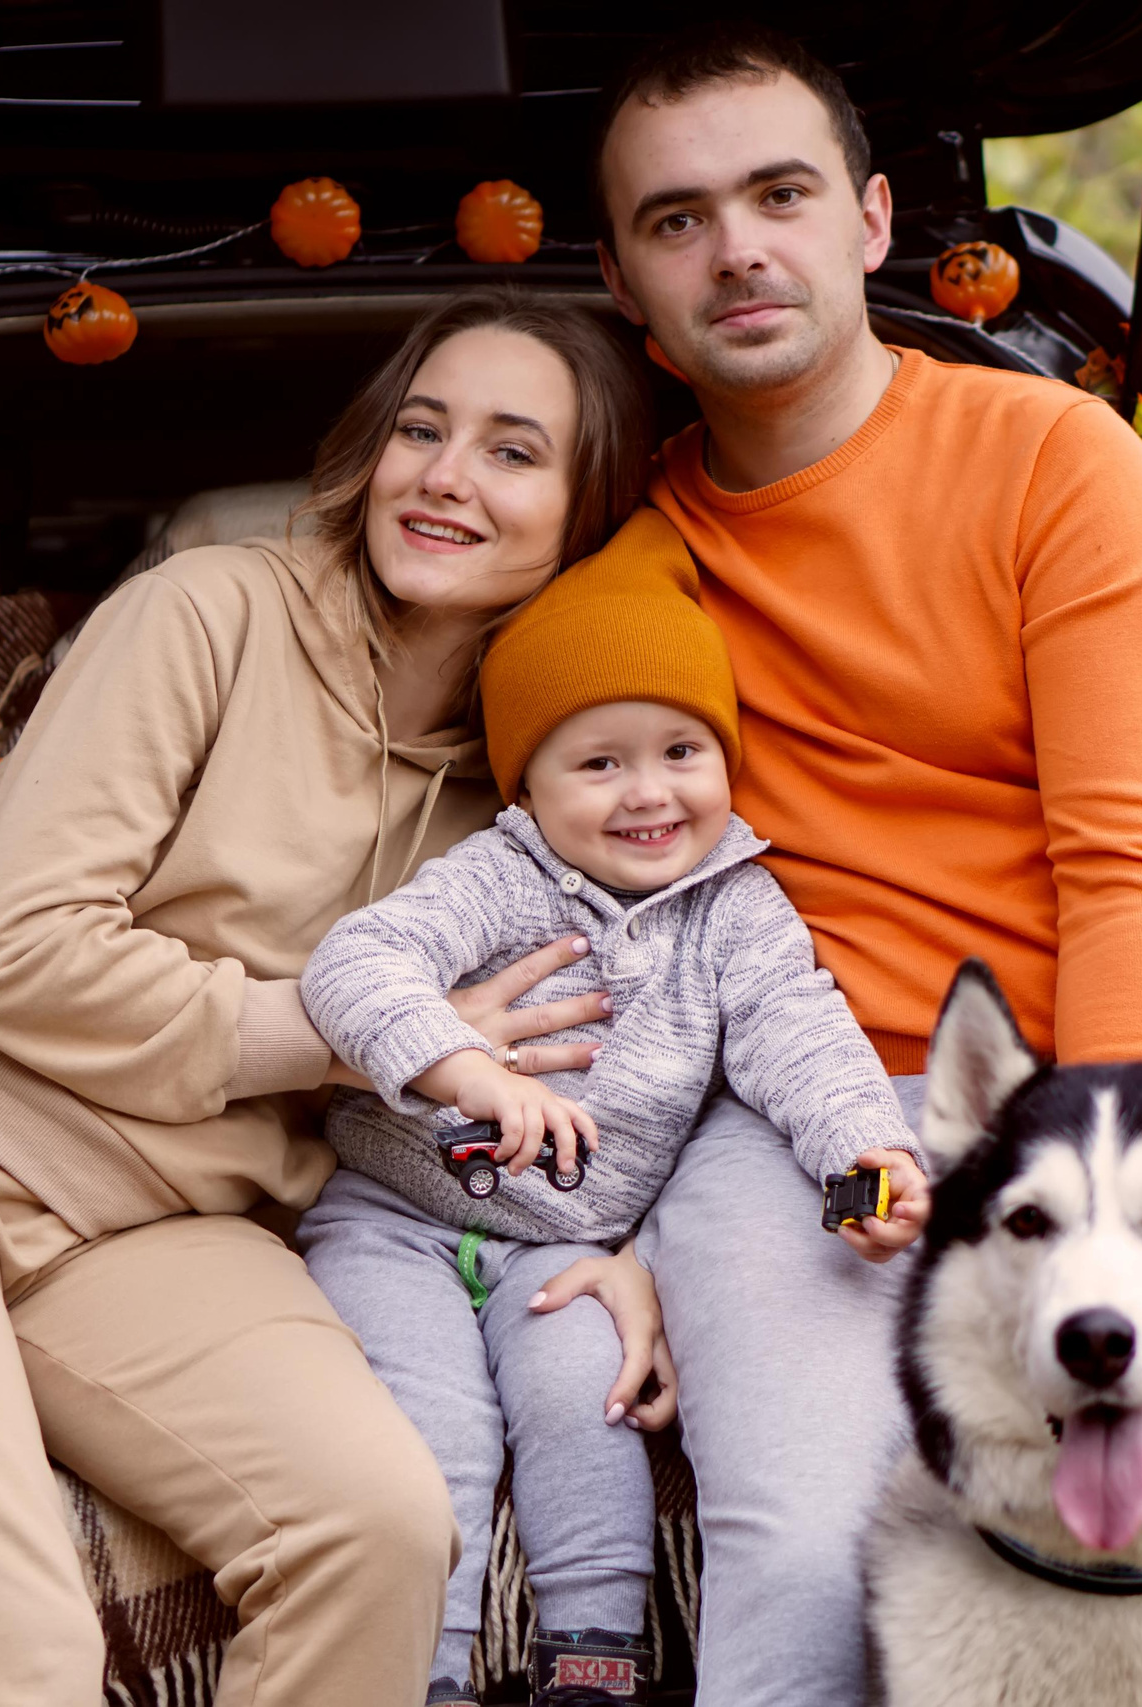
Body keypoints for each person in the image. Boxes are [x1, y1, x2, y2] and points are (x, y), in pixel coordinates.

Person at [0, 26, 1142, 1707]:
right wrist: (3, 772)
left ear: (870, 218)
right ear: (622, 276)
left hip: (1086, 1088)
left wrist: (1082, 1211)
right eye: (678, 220)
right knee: (812, 1581)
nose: (738, 247)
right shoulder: (619, 548)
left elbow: (1130, 870)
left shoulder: (1055, 463)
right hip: (757, 1113)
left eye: (779, 195)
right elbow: (359, 648)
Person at [0, 289, 657, 1707]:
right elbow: (15, 952)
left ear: (591, 514)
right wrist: (369, 1039)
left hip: (155, 1221)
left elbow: (645, 1039)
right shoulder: (206, 612)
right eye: (422, 429)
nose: (445, 473)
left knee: (378, 1530)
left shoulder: (535, 797)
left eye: (514, 452)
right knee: (5, 1659)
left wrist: (640, 1238)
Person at [296, 516, 926, 1705]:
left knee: (585, 1413)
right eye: (600, 763)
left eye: (682, 750)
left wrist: (868, 1167)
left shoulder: (737, 907)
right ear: (526, 784)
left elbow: (801, 1043)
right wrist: (464, 1068)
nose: (650, 793)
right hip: (396, 1224)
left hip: (574, 1250)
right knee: (437, 1433)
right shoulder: (500, 874)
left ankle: (597, 1667)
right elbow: (353, 965)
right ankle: (418, 1677)